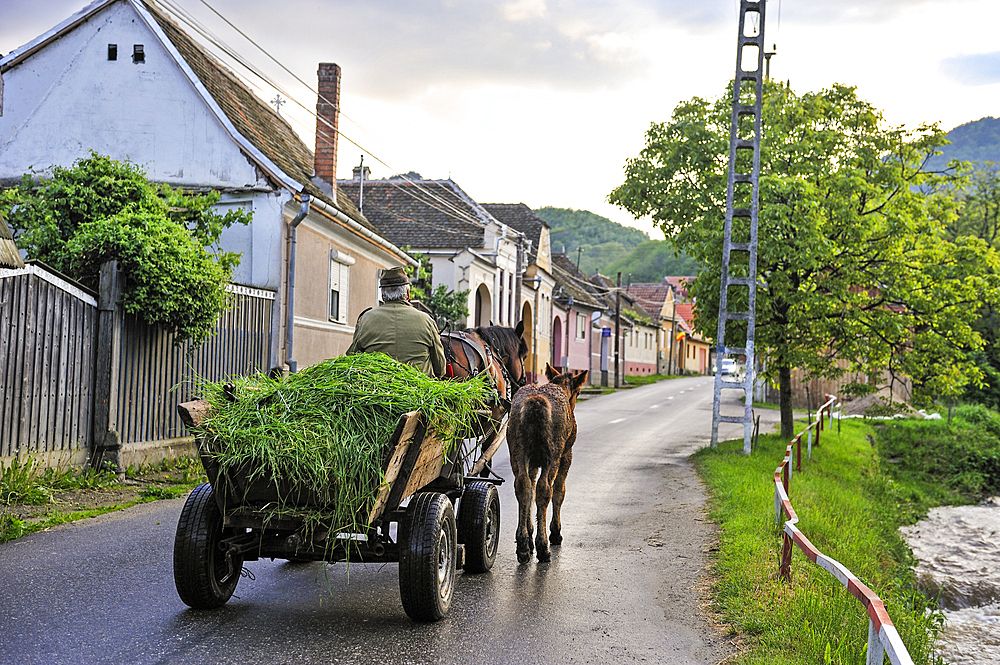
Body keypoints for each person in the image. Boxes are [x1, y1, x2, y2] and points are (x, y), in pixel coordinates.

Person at [347, 266, 446, 377]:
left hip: (376, 390)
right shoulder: (427, 321)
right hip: (417, 391)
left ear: (383, 296)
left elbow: (352, 358)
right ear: (408, 294)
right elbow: (440, 368)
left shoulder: (365, 319)